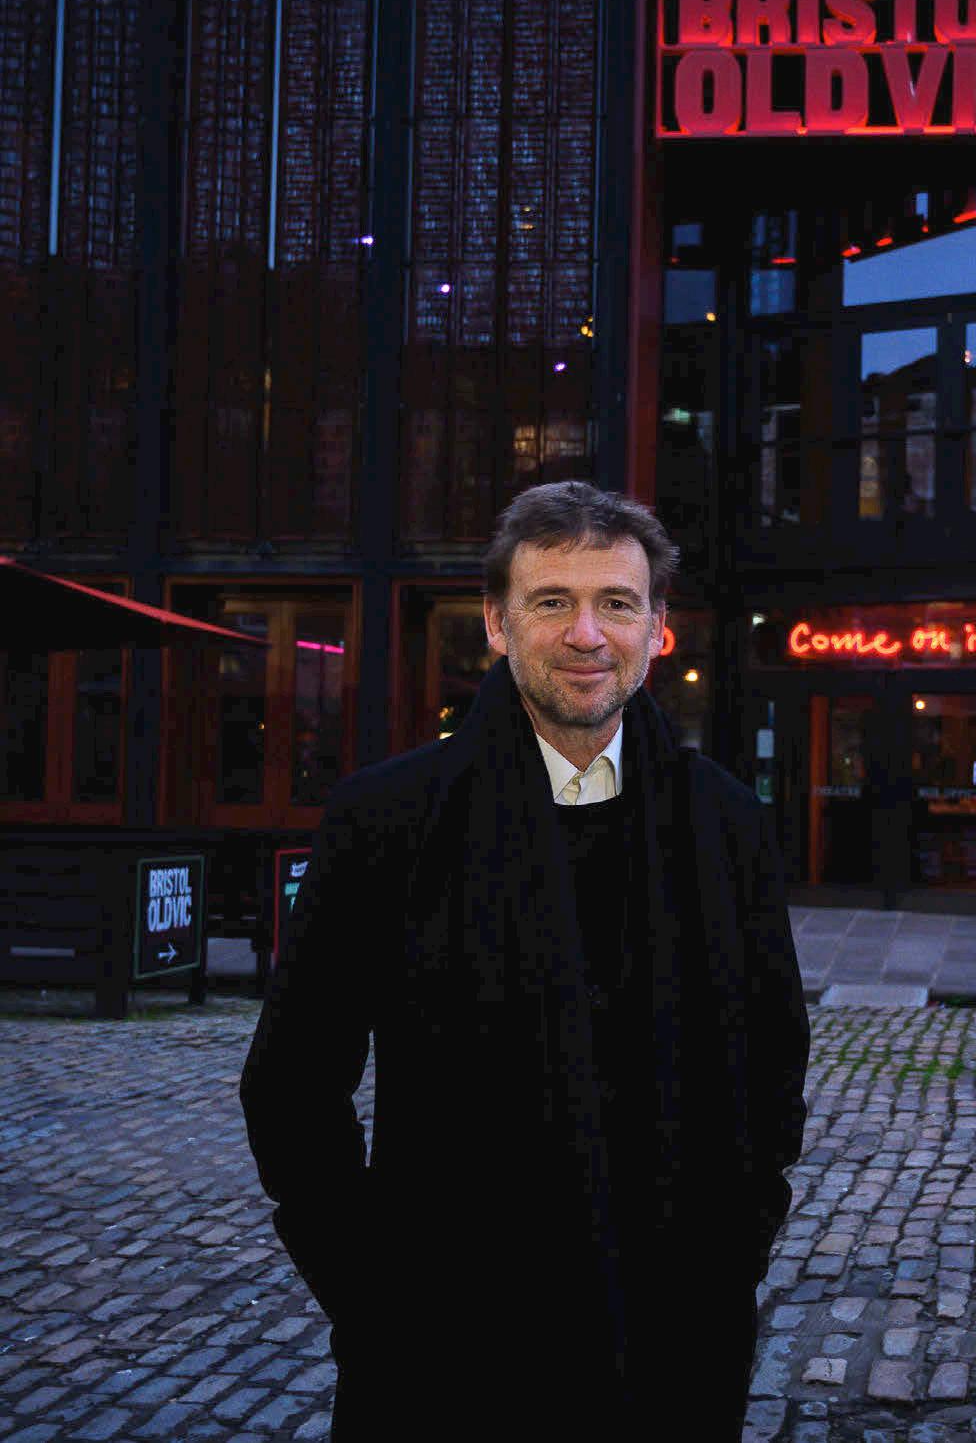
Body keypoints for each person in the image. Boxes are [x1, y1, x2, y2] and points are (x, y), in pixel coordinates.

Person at [240, 480, 810, 1443]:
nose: (587, 635)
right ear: (498, 626)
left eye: (616, 603)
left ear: (656, 629)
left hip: (674, 1351)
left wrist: (733, 1257)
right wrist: (375, 1296)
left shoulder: (727, 821)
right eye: (553, 602)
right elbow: (293, 1086)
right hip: (446, 1359)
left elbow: (772, 1061)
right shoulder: (386, 819)